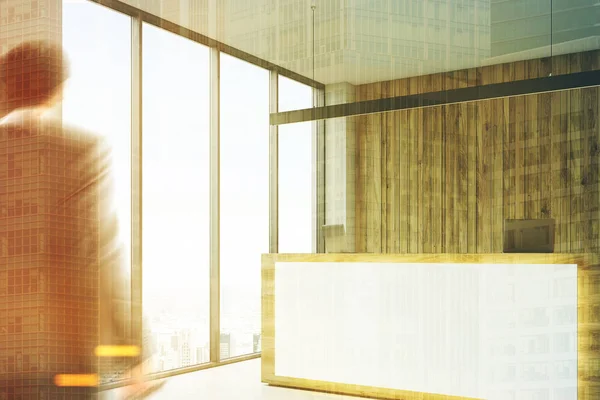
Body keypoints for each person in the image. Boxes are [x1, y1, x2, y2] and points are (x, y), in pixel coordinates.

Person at [0, 41, 162, 399]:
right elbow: (100, 257)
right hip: (61, 360)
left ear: (5, 88)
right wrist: (134, 351)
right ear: (58, 90)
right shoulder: (78, 151)